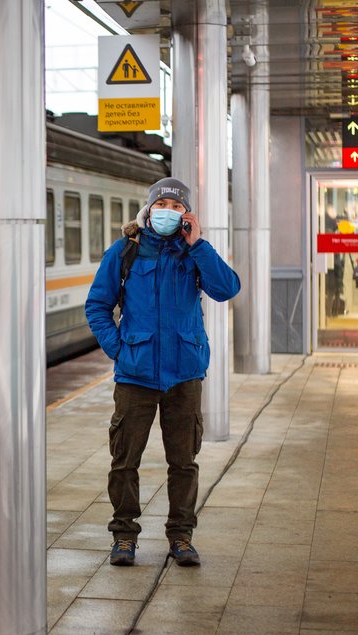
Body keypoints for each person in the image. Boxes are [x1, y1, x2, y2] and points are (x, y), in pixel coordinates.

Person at [84, 177, 240, 567]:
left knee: (184, 462)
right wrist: (119, 349)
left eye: (176, 206)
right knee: (124, 462)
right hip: (135, 376)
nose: (167, 211)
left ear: (184, 214)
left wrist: (198, 244)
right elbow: (97, 307)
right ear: (149, 209)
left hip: (185, 373)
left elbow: (227, 288)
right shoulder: (125, 253)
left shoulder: (193, 253)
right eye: (162, 204)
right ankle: (124, 536)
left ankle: (181, 536)